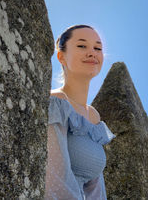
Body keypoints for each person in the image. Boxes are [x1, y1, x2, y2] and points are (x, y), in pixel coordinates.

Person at [45, 25, 116, 199]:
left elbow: (96, 189)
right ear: (61, 56)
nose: (92, 53)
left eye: (97, 48)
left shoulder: (94, 116)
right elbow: (54, 181)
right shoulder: (56, 101)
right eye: (82, 46)